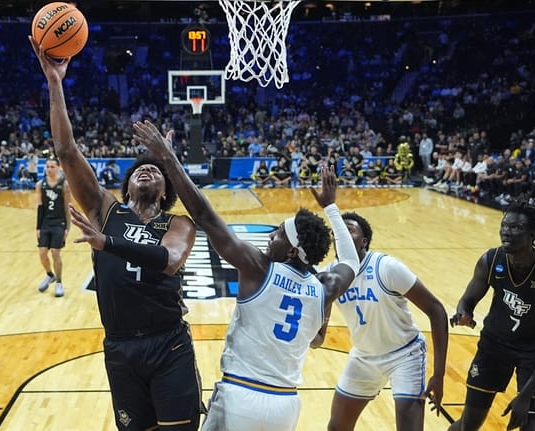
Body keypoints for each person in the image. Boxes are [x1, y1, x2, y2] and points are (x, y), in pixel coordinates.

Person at [133, 119, 359, 431]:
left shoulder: (260, 268)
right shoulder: (325, 286)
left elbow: (203, 215)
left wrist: (167, 157)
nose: (270, 238)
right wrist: (332, 208)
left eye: (279, 234)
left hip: (241, 396)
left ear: (292, 250)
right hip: (286, 406)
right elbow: (350, 259)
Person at [32, 42, 203, 430]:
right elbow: (67, 150)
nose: (146, 171)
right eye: (139, 170)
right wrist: (55, 83)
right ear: (125, 189)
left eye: (155, 171)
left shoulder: (178, 225)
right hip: (121, 345)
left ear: (165, 191)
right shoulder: (106, 211)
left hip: (168, 342)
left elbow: (170, 261)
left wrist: (107, 243)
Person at [323, 212, 448, 431]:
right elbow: (316, 327)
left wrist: (439, 375)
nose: (340, 235)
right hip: (364, 357)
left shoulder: (387, 267)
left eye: (348, 230)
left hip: (404, 355)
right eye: (337, 232)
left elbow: (436, 310)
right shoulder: (330, 275)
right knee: (337, 427)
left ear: (364, 242)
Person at [449, 201, 535, 431]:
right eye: (504, 226)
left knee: (532, 426)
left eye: (515, 227)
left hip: (534, 352)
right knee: (469, 425)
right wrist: (463, 313)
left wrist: (525, 396)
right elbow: (467, 301)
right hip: (494, 345)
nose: (507, 231)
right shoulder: (491, 259)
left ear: (531, 234)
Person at [35, 157, 72, 297]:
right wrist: (38, 227)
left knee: (56, 253)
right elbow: (39, 207)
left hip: (59, 223)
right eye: (47, 166)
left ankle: (59, 283)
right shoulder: (40, 184)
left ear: (58, 168)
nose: (49, 169)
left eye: (52, 167)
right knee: (42, 253)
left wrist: (68, 227)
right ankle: (50, 275)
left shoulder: (64, 185)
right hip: (45, 223)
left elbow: (67, 208)